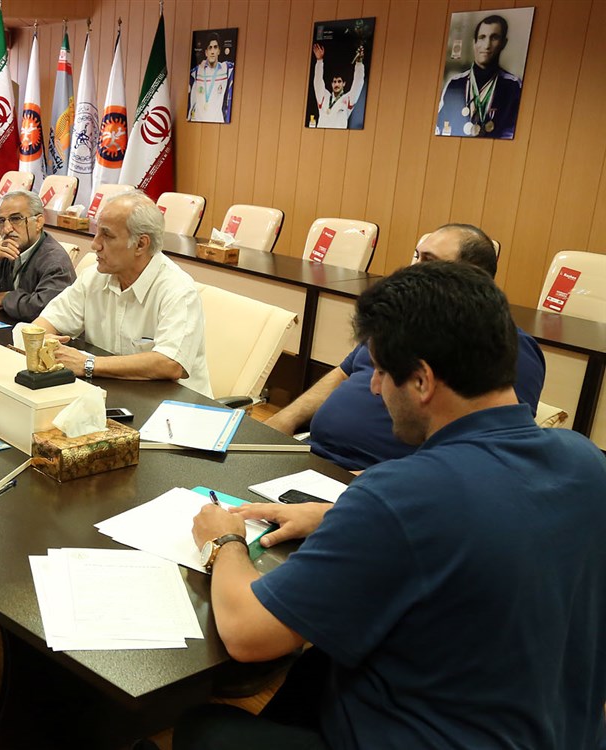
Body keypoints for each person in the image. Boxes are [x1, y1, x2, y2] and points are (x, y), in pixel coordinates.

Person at [182, 261, 606, 750]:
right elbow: (493, 532)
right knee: (317, 669)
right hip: (557, 730)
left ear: (422, 381)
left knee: (204, 730)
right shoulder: (587, 463)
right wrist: (333, 516)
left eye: (381, 370)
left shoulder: (401, 493)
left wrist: (224, 541)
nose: (373, 386)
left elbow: (246, 633)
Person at [264, 224, 545, 471]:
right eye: (416, 255)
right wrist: (283, 421)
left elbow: (490, 446)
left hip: (376, 482)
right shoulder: (397, 319)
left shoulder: (502, 344)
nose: (413, 267)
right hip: (310, 454)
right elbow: (344, 372)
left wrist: (379, 481)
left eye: (428, 260)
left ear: (470, 275)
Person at [32, 191, 211, 396]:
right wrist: (43, 341)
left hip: (175, 405)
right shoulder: (94, 277)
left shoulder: (178, 290)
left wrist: (88, 364)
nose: (95, 244)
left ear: (141, 244)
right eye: (97, 232)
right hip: (116, 393)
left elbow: (170, 363)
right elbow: (44, 324)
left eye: (107, 235)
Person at [0, 190, 74, 320]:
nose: (7, 229)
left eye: (16, 219)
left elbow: (47, 310)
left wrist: (7, 299)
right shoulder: (0, 251)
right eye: (2, 221)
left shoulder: (55, 261)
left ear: (38, 222)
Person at [435, 14, 522, 138]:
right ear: (474, 43)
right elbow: (439, 127)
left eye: (494, 38)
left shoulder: (513, 85)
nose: (487, 45)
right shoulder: (454, 83)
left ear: (503, 43)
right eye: (482, 37)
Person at [311, 42, 365, 129]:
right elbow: (317, 81)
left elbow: (358, 83)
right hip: (320, 134)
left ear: (344, 84)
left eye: (339, 81)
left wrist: (359, 63)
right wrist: (319, 60)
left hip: (339, 135)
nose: (336, 84)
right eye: (334, 81)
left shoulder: (348, 99)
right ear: (331, 84)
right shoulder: (324, 96)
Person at [188, 33, 234, 123]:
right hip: (197, 122)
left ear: (219, 51)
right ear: (206, 52)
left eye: (215, 47)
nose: (212, 51)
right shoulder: (197, 72)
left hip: (218, 122)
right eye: (210, 48)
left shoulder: (226, 69)